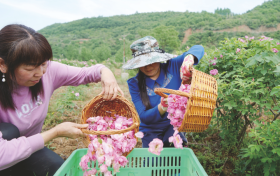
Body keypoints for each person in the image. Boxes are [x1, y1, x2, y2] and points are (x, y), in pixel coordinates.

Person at [0, 24, 124, 176]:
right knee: (8, 130)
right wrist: (56, 132)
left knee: (58, 169)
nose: (40, 73)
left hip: (29, 148)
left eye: (43, 64)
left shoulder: (48, 73)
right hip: (4, 154)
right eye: (30, 68)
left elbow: (86, 73)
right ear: (3, 65)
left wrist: (105, 72)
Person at [123, 36, 204, 148]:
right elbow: (144, 116)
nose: (148, 67)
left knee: (173, 158)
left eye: (152, 61)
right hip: (150, 130)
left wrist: (189, 58)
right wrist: (162, 107)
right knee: (152, 162)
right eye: (142, 63)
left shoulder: (173, 66)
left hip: (174, 126)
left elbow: (198, 48)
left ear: (159, 58)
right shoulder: (135, 83)